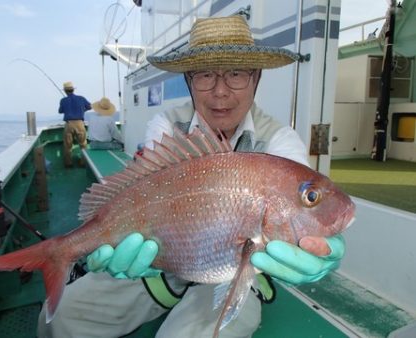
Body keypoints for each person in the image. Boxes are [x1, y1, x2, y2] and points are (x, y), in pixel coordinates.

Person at [38, 16, 345, 338]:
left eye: (237, 74)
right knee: (59, 318)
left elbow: (297, 206)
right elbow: (141, 190)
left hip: (240, 271)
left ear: (256, 78)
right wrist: (99, 238)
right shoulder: (167, 125)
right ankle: (63, 256)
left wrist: (318, 246)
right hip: (157, 259)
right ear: (188, 79)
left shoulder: (281, 140)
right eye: (205, 75)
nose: (220, 92)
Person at [58, 81, 91, 167]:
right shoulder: (81, 98)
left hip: (69, 124)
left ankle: (68, 164)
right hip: (80, 123)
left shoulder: (63, 100)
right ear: (73, 90)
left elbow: (60, 111)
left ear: (65, 91)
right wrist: (83, 110)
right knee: (83, 144)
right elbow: (90, 106)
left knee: (68, 146)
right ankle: (83, 162)